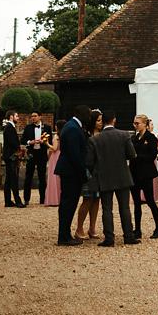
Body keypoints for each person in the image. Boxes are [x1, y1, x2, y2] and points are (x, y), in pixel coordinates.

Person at [89, 113, 139, 247]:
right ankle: (128, 236)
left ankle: (109, 238)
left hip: (104, 177)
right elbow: (131, 154)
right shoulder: (124, 135)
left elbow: (90, 161)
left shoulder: (96, 139)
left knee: (107, 209)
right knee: (125, 208)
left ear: (103, 122)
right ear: (114, 120)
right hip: (122, 175)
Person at [54, 105, 90, 246]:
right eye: (87, 114)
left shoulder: (72, 126)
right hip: (71, 172)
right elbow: (75, 155)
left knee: (68, 203)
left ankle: (65, 234)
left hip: (69, 171)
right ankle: (64, 236)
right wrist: (83, 173)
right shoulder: (73, 129)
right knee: (68, 204)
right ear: (81, 114)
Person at [131, 114, 158, 239]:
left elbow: (152, 156)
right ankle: (137, 229)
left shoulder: (151, 138)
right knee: (136, 203)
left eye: (137, 123)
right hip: (134, 173)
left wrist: (137, 156)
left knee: (150, 201)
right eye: (134, 123)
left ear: (144, 124)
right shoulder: (134, 138)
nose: (135, 125)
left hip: (146, 174)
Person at [75, 110, 103, 240]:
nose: (101, 123)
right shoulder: (86, 135)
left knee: (96, 199)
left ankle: (92, 227)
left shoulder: (103, 134)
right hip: (88, 170)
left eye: (101, 120)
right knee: (87, 199)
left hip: (99, 170)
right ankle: (79, 228)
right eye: (98, 120)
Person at [21, 111, 50, 205]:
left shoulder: (47, 127)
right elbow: (23, 140)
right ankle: (26, 199)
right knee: (28, 177)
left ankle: (43, 199)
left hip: (42, 155)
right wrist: (30, 142)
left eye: (35, 116)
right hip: (31, 154)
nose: (33, 118)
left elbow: (50, 142)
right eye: (32, 116)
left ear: (40, 116)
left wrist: (44, 142)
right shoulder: (28, 127)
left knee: (42, 177)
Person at [1, 110, 24, 208]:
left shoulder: (9, 127)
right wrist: (19, 149)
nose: (18, 118)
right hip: (11, 156)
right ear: (11, 117)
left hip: (9, 156)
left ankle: (7, 201)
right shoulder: (9, 128)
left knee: (9, 179)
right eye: (16, 116)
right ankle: (17, 201)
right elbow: (13, 143)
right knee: (13, 179)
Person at [44, 120, 63, 207]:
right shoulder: (63, 135)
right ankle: (60, 198)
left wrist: (47, 143)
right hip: (60, 155)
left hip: (55, 156)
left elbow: (54, 148)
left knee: (53, 177)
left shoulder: (56, 136)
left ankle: (54, 199)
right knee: (59, 178)